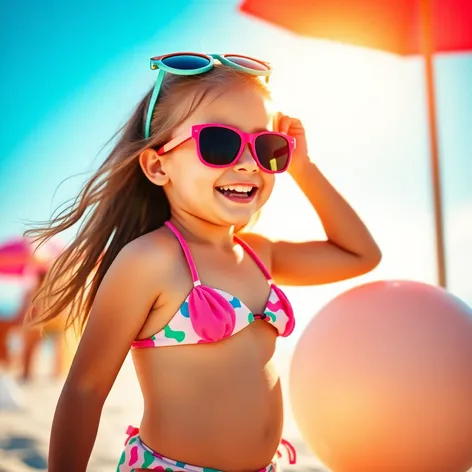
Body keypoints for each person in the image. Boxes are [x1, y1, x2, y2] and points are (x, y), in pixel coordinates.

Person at [27, 53, 381, 472]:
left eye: (267, 147)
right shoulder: (151, 260)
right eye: (219, 143)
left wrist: (303, 168)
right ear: (158, 165)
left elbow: (361, 255)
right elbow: (85, 389)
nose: (249, 163)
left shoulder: (259, 253)